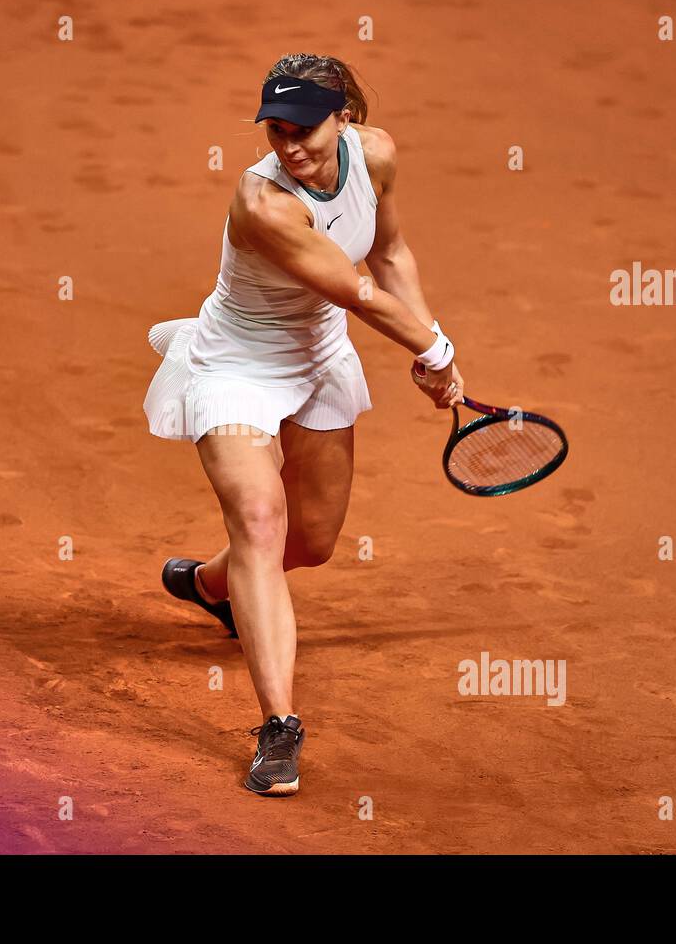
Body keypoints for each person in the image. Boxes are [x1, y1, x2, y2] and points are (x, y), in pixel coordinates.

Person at [142, 53, 465, 797]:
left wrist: (430, 339)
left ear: (344, 117)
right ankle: (279, 727)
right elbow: (356, 290)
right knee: (260, 517)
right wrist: (436, 352)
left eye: (305, 130)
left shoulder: (376, 155)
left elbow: (387, 253)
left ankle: (209, 586)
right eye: (277, 130)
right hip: (236, 368)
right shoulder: (264, 204)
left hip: (318, 356)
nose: (289, 146)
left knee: (309, 543)